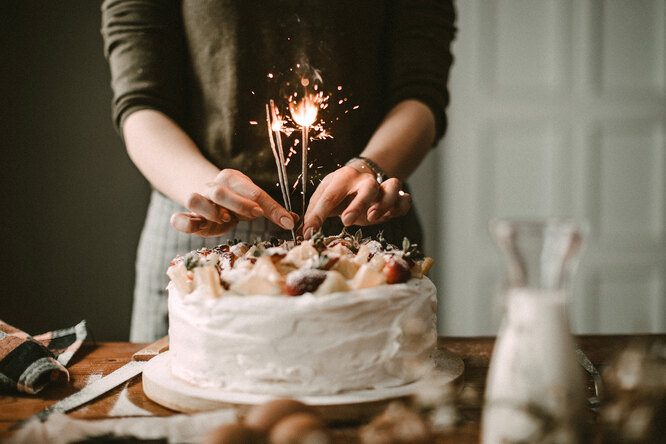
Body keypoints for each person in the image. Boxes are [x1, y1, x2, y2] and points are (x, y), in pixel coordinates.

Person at [101, 0, 456, 341]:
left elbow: (420, 90)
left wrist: (371, 168)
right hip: (202, 227)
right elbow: (141, 100)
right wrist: (205, 187)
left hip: (364, 226)